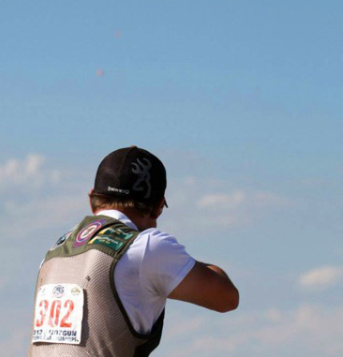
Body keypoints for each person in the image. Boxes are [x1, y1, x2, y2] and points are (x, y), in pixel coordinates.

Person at [28, 146, 239, 357]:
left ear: (93, 200)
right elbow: (227, 298)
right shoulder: (147, 247)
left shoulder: (54, 253)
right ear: (157, 207)